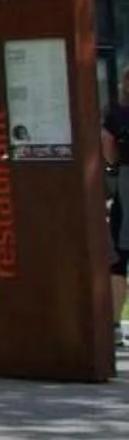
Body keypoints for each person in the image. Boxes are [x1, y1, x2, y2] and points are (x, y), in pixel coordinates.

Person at [101, 68, 129, 338]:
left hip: (126, 187)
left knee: (119, 260)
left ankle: (115, 326)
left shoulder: (117, 115)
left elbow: (108, 149)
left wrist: (113, 167)